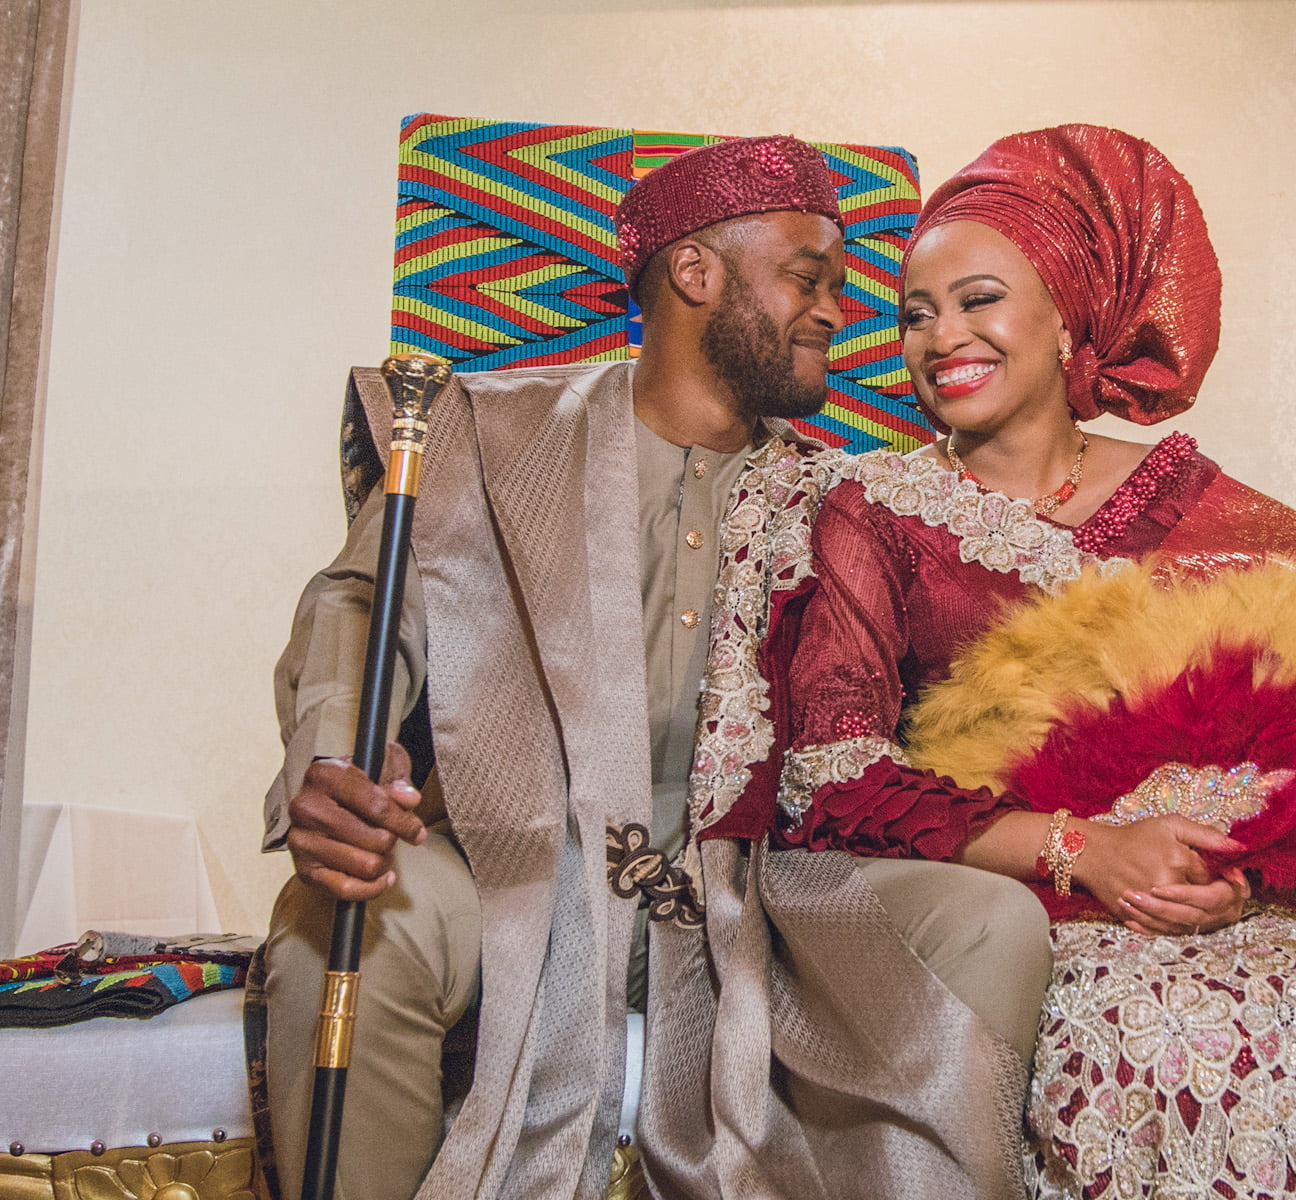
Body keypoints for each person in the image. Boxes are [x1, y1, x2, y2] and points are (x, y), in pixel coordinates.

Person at [732, 125, 1296, 1199]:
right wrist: (1085, 848)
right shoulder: (872, 511)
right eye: (916, 314)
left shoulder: (1210, 511)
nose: (940, 335)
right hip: (1016, 905)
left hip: (1231, 911)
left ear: (1069, 317)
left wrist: (1244, 858)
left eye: (978, 300)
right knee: (1170, 1059)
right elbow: (833, 775)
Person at [258, 134, 1053, 1200]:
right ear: (696, 272)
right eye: (808, 278)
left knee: (990, 925)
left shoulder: (842, 498)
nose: (837, 312)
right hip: (517, 861)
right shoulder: (489, 433)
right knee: (340, 924)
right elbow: (360, 603)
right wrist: (333, 760)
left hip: (757, 894)